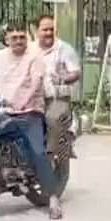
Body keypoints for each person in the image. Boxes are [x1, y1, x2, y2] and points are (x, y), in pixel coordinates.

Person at [0, 23, 64, 220]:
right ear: (7, 40)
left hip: (30, 112)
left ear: (26, 39)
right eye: (14, 38)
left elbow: (36, 82)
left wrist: (23, 102)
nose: (18, 41)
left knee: (38, 151)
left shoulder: (34, 58)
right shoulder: (1, 57)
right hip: (5, 112)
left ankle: (53, 198)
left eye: (22, 37)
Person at [35, 15, 81, 160]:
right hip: (33, 98)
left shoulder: (65, 49)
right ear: (37, 31)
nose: (49, 33)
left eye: (51, 29)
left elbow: (76, 73)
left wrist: (63, 78)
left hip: (57, 98)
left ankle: (48, 159)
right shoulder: (30, 49)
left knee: (52, 119)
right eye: (45, 30)